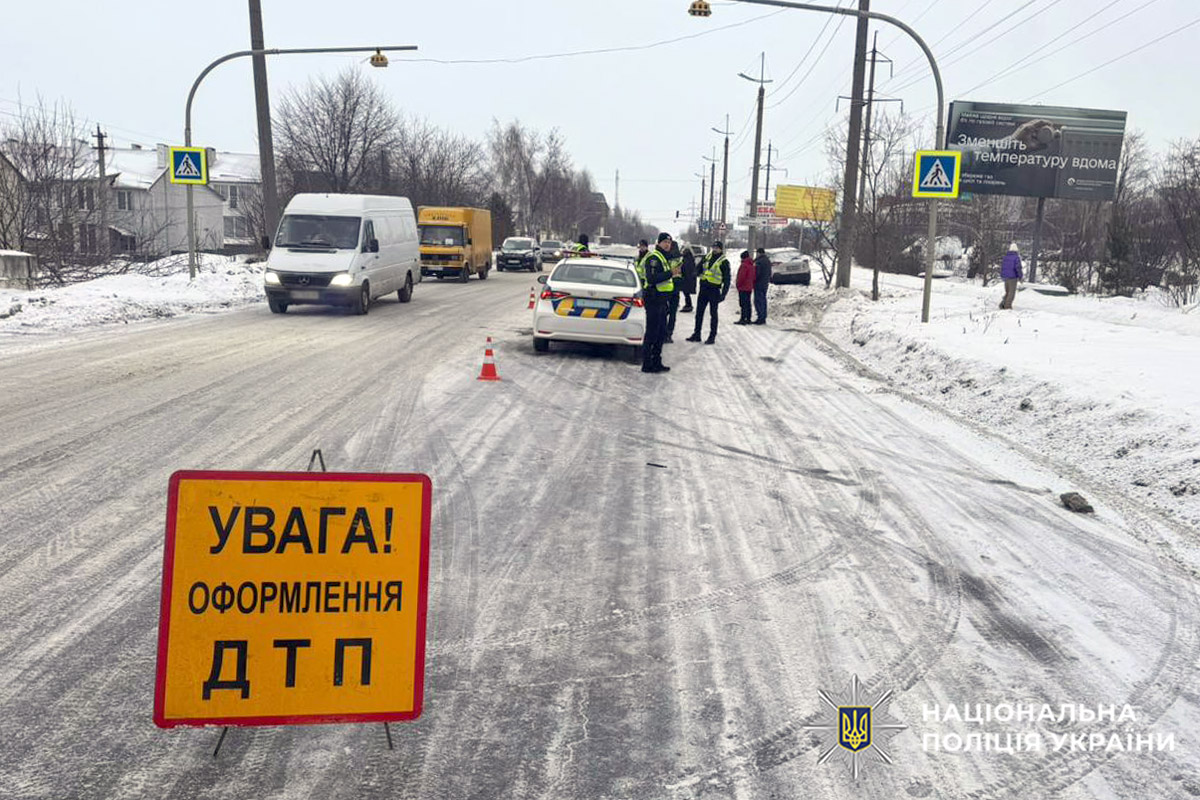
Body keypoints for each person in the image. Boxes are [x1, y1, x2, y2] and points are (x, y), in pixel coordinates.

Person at [641, 233, 675, 373]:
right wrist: (670, 273)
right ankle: (647, 363)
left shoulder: (664, 257)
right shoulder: (654, 258)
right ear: (659, 243)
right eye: (665, 242)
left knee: (661, 332)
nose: (667, 244)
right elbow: (652, 278)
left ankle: (657, 361)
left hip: (662, 300)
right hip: (653, 299)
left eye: (669, 242)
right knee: (652, 332)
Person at [686, 240, 731, 344]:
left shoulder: (724, 262)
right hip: (704, 289)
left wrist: (723, 294)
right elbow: (699, 268)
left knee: (713, 314)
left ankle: (712, 336)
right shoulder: (707, 257)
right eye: (713, 247)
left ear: (721, 249)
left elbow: (727, 279)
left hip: (714, 290)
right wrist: (696, 272)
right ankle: (697, 334)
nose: (714, 249)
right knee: (699, 313)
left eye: (717, 248)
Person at [664, 241, 683, 343]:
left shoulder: (666, 258)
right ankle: (669, 334)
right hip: (675, 289)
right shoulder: (680, 259)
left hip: (666, 288)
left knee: (664, 312)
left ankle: (664, 333)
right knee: (672, 313)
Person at [735, 250, 755, 325]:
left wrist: (738, 284)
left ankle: (743, 319)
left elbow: (741, 277)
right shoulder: (751, 265)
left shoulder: (744, 265)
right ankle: (748, 318)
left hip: (743, 287)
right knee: (748, 303)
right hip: (749, 287)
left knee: (743, 304)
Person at [1000, 243, 1023, 309]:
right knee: (1011, 293)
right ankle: (1007, 306)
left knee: (1007, 292)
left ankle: (1002, 304)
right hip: (1013, 277)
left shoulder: (1005, 257)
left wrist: (1002, 275)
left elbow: (1003, 267)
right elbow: (1018, 268)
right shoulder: (1016, 258)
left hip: (1006, 277)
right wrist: (1020, 276)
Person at [752, 247, 772, 324]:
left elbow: (757, 273)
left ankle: (760, 317)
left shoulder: (759, 262)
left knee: (758, 301)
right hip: (765, 283)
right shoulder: (767, 261)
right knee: (763, 300)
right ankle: (763, 317)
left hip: (759, 283)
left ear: (758, 253)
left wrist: (753, 280)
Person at [678, 247, 698, 313]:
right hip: (689, 279)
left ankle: (688, 305)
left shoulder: (686, 260)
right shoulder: (690, 259)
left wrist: (682, 275)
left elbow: (686, 270)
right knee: (686, 293)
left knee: (686, 293)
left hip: (687, 280)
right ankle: (688, 305)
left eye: (684, 251)